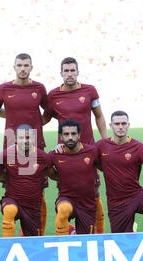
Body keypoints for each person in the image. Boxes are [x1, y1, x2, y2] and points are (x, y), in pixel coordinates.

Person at [0, 53, 49, 235]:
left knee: (39, 192)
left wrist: (37, 124)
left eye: (26, 65)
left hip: (36, 148)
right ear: (14, 67)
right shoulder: (4, 89)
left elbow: (49, 112)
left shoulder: (39, 88)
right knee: (13, 191)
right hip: (11, 149)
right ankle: (11, 235)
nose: (22, 69)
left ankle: (36, 235)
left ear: (31, 67)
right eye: (19, 65)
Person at [45, 57, 107, 233]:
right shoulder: (53, 95)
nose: (70, 74)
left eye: (73, 70)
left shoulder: (89, 91)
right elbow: (45, 118)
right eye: (66, 71)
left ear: (78, 72)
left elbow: (99, 115)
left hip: (88, 152)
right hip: (64, 154)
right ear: (61, 73)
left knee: (94, 193)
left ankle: (97, 232)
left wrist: (103, 140)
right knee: (66, 194)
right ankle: (66, 230)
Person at [96, 111, 143, 233]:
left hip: (136, 195)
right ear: (111, 125)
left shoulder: (138, 146)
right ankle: (131, 230)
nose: (120, 127)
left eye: (123, 123)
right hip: (116, 203)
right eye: (117, 124)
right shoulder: (101, 145)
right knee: (122, 242)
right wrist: (61, 150)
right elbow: (86, 158)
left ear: (128, 125)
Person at [1, 124, 57, 237]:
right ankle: (7, 246)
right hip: (12, 200)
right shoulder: (6, 155)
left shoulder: (42, 157)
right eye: (21, 138)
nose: (25, 141)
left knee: (34, 243)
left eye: (28, 137)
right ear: (16, 139)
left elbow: (54, 175)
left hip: (33, 207)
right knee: (9, 210)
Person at [49, 119, 100, 235]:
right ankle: (61, 244)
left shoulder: (91, 151)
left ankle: (73, 231)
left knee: (86, 241)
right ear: (61, 137)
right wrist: (60, 176)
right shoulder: (55, 154)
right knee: (63, 210)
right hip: (66, 199)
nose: (70, 137)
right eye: (66, 134)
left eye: (73, 134)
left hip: (87, 205)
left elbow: (104, 166)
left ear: (79, 135)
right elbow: (46, 168)